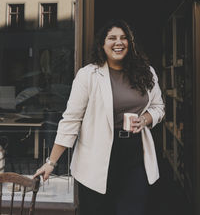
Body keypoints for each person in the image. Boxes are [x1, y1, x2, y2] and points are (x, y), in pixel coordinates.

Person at [34, 19, 165, 215]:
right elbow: (71, 120)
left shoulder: (147, 73)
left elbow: (158, 107)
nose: (118, 42)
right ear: (102, 45)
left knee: (133, 209)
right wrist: (51, 162)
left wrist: (145, 119)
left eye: (123, 38)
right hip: (96, 157)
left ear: (130, 43)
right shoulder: (88, 75)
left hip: (135, 154)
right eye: (112, 38)